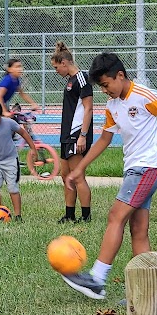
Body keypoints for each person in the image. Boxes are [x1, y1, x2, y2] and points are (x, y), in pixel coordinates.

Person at [61, 52, 157, 299]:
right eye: (100, 86)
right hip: (134, 169)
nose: (104, 90)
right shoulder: (112, 106)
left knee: (115, 215)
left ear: (120, 76)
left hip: (149, 167)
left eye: (106, 84)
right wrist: (80, 168)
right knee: (138, 229)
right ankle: (150, 292)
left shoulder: (145, 96)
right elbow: (104, 139)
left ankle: (97, 279)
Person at [50, 41, 94, 224]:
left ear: (64, 63)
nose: (56, 71)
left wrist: (83, 135)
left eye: (56, 67)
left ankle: (85, 216)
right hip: (66, 135)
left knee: (77, 176)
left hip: (77, 135)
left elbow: (88, 108)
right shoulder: (70, 80)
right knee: (65, 176)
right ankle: (69, 215)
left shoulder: (82, 79)